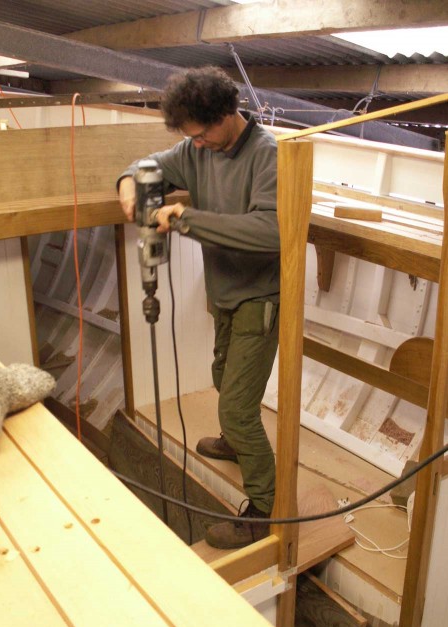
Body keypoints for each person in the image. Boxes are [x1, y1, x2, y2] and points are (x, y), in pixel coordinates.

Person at [117, 66, 280, 549]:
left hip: (259, 296)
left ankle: (265, 510)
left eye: (202, 134)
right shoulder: (197, 149)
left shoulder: (267, 154)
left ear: (226, 114)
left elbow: (269, 231)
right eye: (190, 137)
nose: (197, 145)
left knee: (237, 407)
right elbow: (150, 164)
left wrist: (187, 218)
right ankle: (234, 442)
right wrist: (127, 182)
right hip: (224, 292)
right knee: (221, 375)